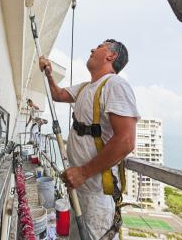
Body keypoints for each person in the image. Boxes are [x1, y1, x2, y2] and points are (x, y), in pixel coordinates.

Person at [39, 39, 139, 239]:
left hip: (96, 194)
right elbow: (58, 95)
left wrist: (84, 172)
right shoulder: (86, 88)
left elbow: (126, 140)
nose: (93, 48)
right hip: (78, 188)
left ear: (111, 56)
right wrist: (49, 74)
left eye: (100, 46)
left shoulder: (115, 85)